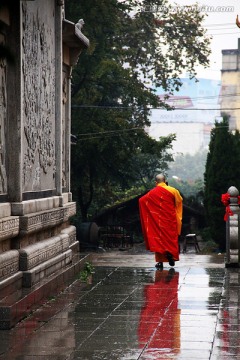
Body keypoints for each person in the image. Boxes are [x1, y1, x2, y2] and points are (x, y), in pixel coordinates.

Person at [139, 174, 183, 269]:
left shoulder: (152, 192)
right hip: (170, 220)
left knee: (158, 238)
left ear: (156, 182)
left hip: (157, 220)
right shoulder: (173, 190)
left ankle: (160, 262)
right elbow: (179, 201)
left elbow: (142, 200)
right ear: (165, 181)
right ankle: (171, 255)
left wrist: (151, 213)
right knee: (170, 239)